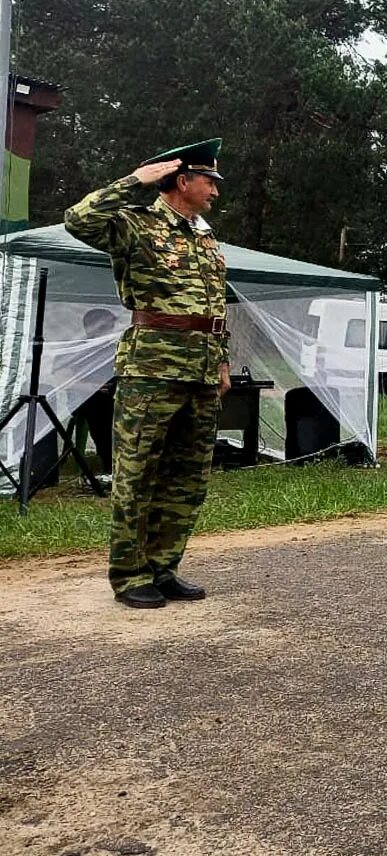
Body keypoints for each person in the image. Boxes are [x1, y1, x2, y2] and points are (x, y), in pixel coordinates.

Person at [62, 140, 231, 609]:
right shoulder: (136, 225)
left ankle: (163, 567)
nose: (215, 190)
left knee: (187, 476)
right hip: (152, 368)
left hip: (199, 371)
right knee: (138, 473)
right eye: (209, 181)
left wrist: (220, 360)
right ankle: (130, 573)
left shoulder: (205, 237)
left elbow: (213, 308)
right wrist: (135, 181)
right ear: (183, 181)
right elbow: (78, 220)